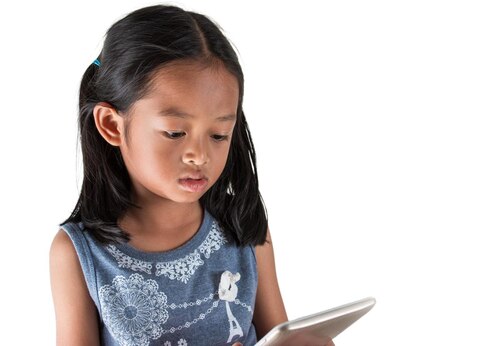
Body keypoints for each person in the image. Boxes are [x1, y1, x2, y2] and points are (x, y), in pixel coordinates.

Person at [48, 5, 319, 345]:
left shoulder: (244, 225)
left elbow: (277, 336)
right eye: (175, 133)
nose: (200, 155)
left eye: (219, 135)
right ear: (111, 125)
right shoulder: (80, 253)